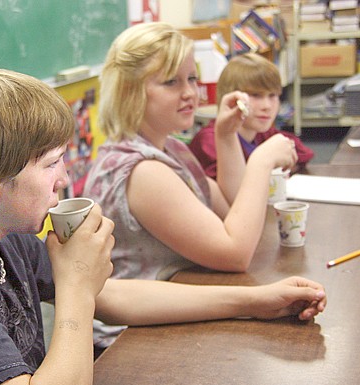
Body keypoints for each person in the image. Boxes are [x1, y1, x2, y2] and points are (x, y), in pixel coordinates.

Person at [0, 66, 326, 385]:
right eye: (51, 165)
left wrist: (255, 302)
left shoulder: (2, 234)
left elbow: (116, 296)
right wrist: (77, 286)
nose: (64, 180)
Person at [83, 22, 298, 278]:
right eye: (171, 82)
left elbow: (236, 212)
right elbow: (235, 253)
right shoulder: (142, 171)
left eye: (192, 78)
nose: (190, 93)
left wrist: (226, 136)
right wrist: (261, 162)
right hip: (144, 317)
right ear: (130, 92)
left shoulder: (170, 148)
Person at [189, 53, 314, 179]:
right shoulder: (210, 140)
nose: (267, 106)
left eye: (272, 95)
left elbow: (301, 153)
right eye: (256, 95)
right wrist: (265, 162)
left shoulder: (260, 133)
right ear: (232, 97)